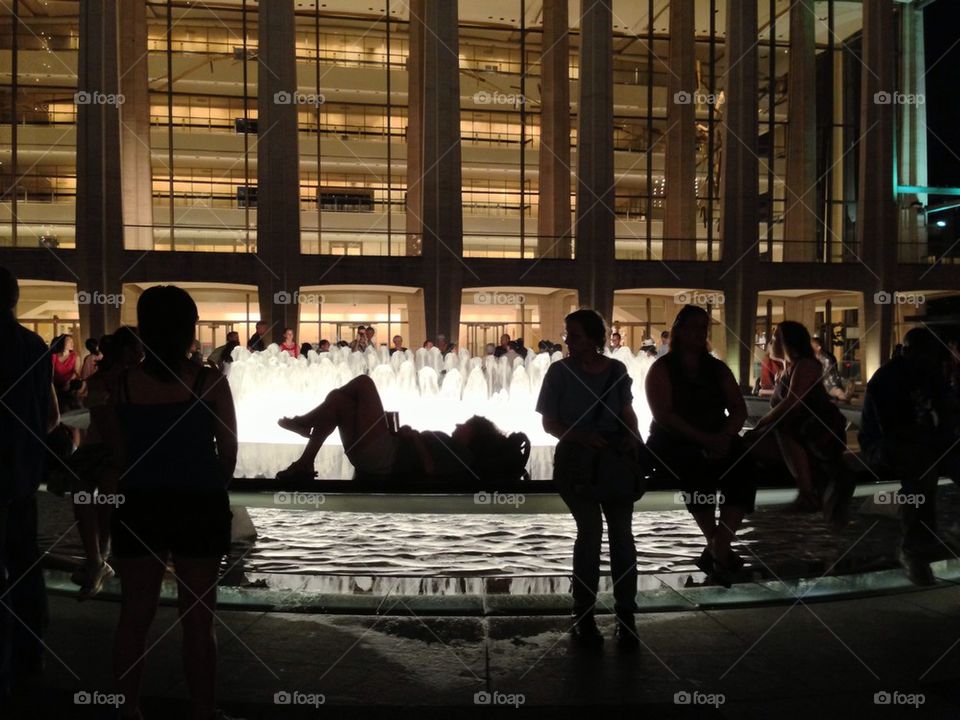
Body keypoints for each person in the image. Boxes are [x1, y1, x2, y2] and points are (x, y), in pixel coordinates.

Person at [102, 285, 237, 720]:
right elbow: (229, 452)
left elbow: (118, 455)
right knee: (198, 618)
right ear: (188, 329)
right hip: (199, 504)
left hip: (141, 504)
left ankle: (128, 709)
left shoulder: (120, 386)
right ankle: (202, 711)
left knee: (134, 614)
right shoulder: (209, 381)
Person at [536, 309, 645, 650]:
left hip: (612, 460)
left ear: (595, 339)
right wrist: (581, 436)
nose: (568, 341)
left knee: (621, 535)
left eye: (575, 336)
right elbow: (548, 423)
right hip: (577, 463)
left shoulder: (617, 370)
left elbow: (628, 413)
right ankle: (584, 613)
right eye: (567, 335)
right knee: (591, 532)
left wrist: (632, 438)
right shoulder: (558, 372)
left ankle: (625, 613)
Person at [646, 305, 754, 589]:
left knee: (744, 464)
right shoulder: (662, 368)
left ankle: (718, 547)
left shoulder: (717, 368)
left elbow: (738, 410)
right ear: (679, 330)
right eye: (692, 326)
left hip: (717, 436)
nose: (698, 332)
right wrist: (706, 440)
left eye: (703, 327)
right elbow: (664, 416)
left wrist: (724, 437)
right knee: (694, 466)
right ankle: (721, 551)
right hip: (673, 440)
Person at [275, 375, 529, 485]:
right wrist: (404, 435)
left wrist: (414, 437)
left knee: (364, 383)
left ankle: (303, 423)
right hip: (380, 453)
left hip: (383, 458)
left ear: (475, 435)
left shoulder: (463, 456)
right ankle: (305, 462)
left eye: (464, 426)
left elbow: (430, 469)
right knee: (338, 399)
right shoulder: (457, 450)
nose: (457, 425)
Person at [859, 328, 958, 585]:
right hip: (881, 445)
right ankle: (914, 546)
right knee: (920, 467)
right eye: (925, 356)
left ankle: (928, 540)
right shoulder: (886, 379)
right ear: (908, 352)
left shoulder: (930, 375)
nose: (929, 361)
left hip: (922, 443)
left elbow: (946, 415)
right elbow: (892, 430)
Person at [0, 267, 58, 705]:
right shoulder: (32, 346)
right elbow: (51, 417)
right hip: (18, 475)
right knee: (23, 562)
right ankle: (28, 653)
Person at [71, 327, 144, 599]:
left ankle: (98, 560)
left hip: (106, 450)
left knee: (96, 498)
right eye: (138, 348)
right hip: (108, 450)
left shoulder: (116, 379)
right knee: (99, 499)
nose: (141, 354)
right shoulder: (125, 379)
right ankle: (98, 560)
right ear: (127, 351)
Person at [746, 322, 848, 512]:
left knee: (781, 426)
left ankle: (806, 493)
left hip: (814, 432)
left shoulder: (806, 365)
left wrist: (762, 423)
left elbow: (793, 402)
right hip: (797, 432)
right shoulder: (784, 371)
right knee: (747, 444)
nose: (769, 342)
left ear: (788, 343)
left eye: (775, 338)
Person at [811, 336, 849, 401]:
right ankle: (846, 394)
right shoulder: (823, 357)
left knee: (836, 390)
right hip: (829, 381)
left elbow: (827, 372)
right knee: (837, 390)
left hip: (827, 382)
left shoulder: (824, 358)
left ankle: (845, 395)